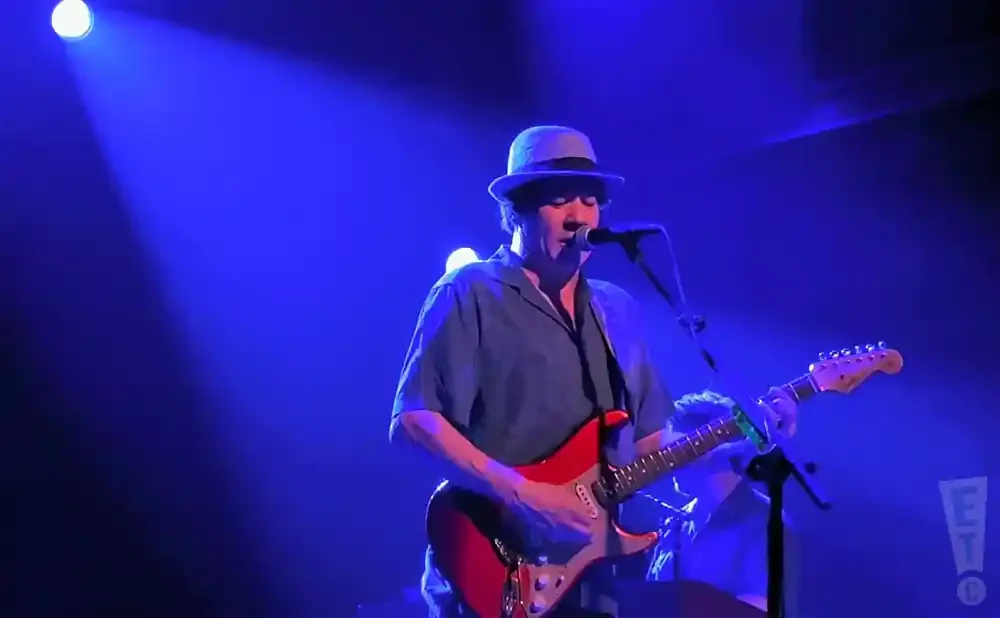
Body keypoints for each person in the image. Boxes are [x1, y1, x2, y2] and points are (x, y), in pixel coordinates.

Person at [389, 125, 798, 618]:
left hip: (591, 582)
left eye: (590, 199)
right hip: (490, 570)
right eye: (559, 198)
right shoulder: (471, 292)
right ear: (517, 208)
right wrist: (524, 494)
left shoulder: (616, 309)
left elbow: (648, 445)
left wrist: (741, 436)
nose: (579, 214)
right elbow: (414, 421)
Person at [646, 390, 800, 617]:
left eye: (677, 452)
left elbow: (756, 610)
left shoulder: (767, 524)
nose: (669, 463)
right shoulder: (676, 524)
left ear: (718, 450)